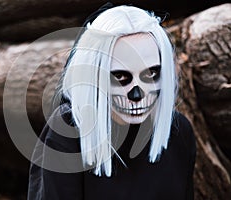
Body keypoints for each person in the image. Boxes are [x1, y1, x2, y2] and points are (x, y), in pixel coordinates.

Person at [28, 3, 196, 200]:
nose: (137, 94)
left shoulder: (178, 132)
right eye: (120, 77)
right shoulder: (68, 132)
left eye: (150, 74)